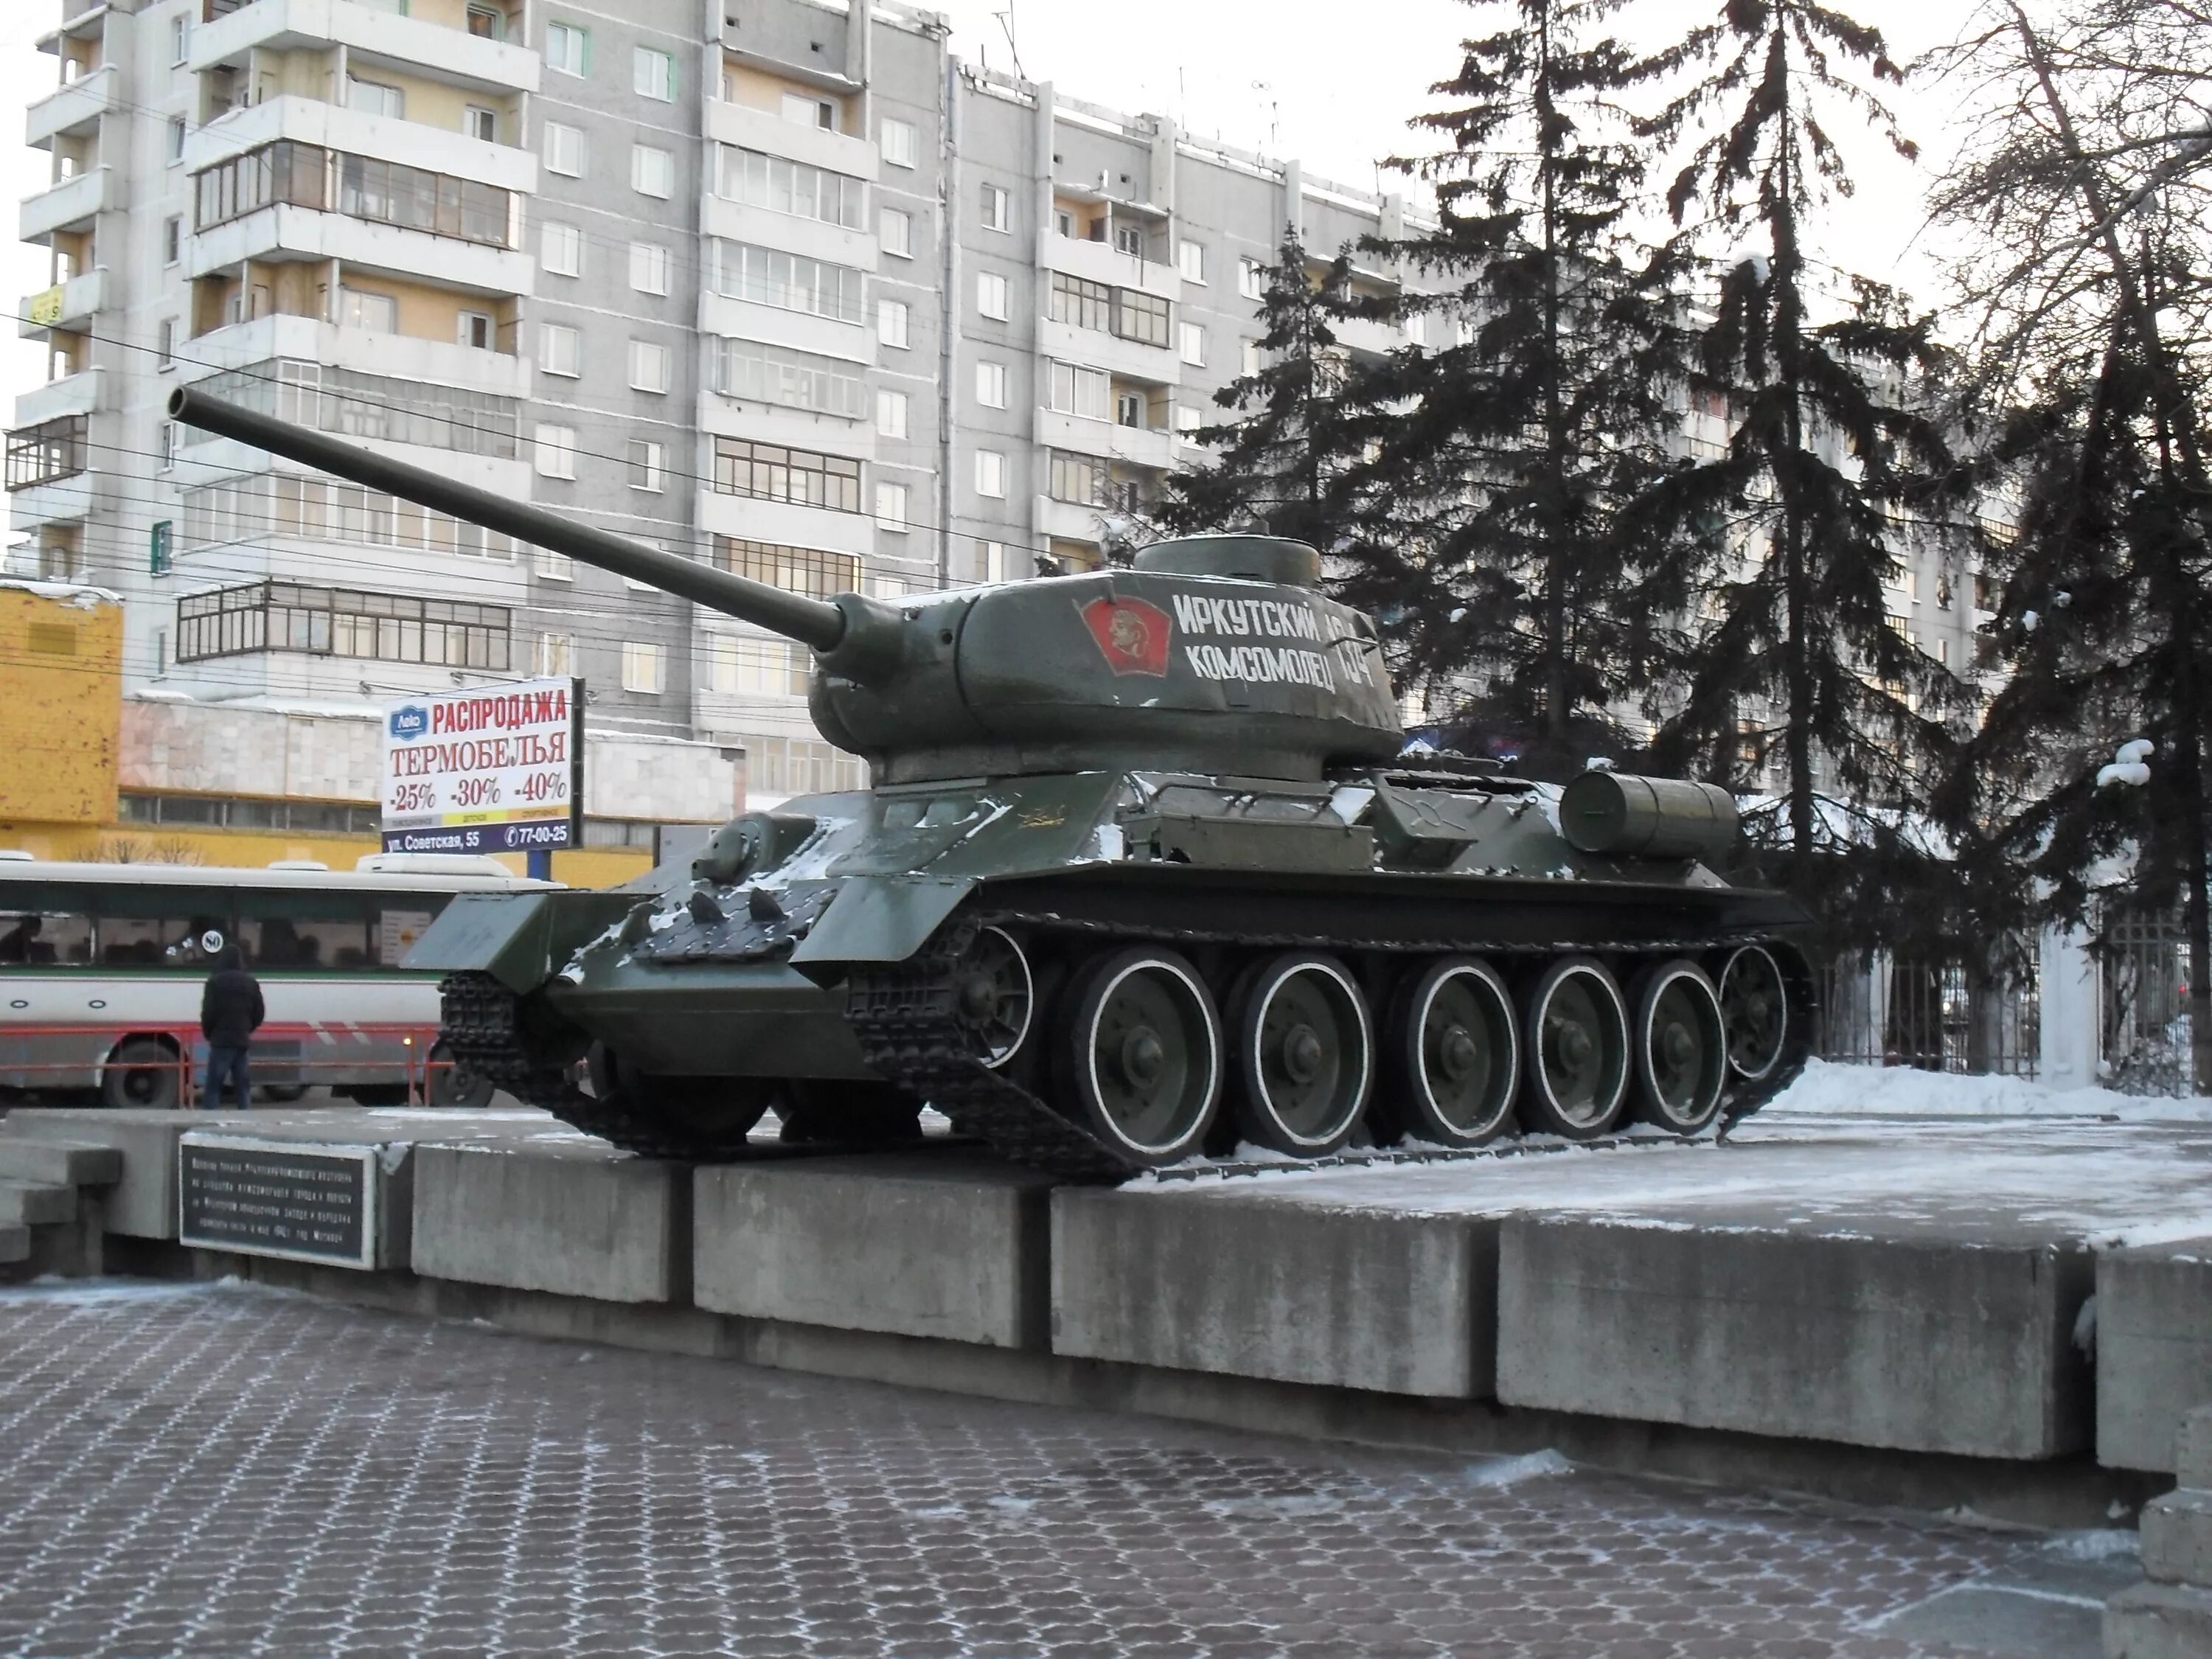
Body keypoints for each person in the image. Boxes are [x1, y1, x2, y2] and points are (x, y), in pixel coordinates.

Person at [199, 944, 265, 1110]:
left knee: (214, 1086)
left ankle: (209, 1121)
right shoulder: (250, 983)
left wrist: (209, 1033)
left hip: (220, 1040)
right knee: (243, 1086)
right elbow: (259, 1012)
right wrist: (247, 1028)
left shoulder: (215, 982)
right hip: (242, 1040)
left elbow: (208, 1013)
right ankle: (244, 1120)